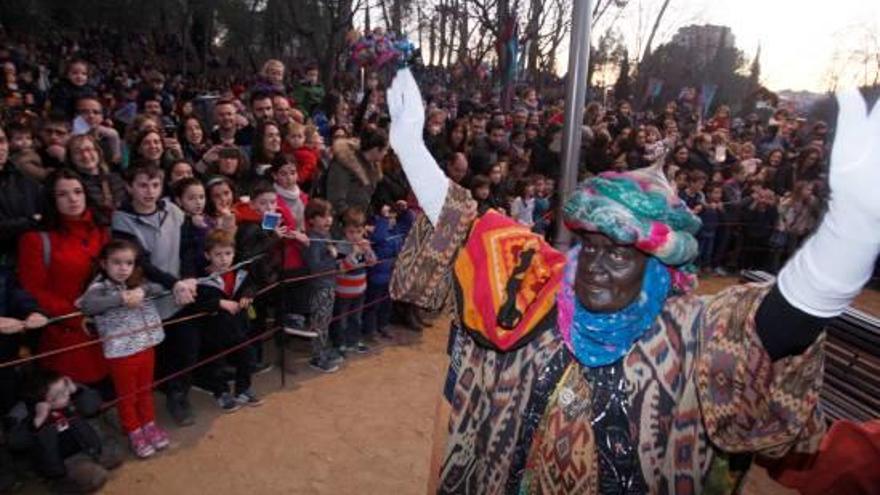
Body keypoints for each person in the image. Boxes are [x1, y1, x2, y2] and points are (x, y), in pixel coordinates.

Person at [387, 69, 878, 494]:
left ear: (656, 268)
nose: (597, 266)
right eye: (592, 247)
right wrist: (409, 144)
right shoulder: (539, 288)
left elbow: (770, 330)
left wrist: (846, 238)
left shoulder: (690, 335)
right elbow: (471, 227)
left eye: (621, 254)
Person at [76, 239, 170, 458]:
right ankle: (134, 431)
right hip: (121, 353)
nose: (123, 268)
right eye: (116, 262)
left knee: (146, 389)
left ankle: (149, 425)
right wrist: (121, 298)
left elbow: (160, 287)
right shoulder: (98, 288)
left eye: (128, 263)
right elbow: (87, 305)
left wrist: (142, 291)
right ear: (104, 263)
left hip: (146, 345)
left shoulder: (137, 280)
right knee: (128, 396)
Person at [17, 169, 110, 389]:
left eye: (78, 191)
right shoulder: (35, 239)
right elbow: (33, 290)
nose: (73, 199)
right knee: (75, 395)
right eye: (63, 194)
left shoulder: (101, 230)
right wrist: (75, 316)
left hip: (105, 325)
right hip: (65, 331)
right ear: (51, 199)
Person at [190, 229, 262, 411]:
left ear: (234, 253)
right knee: (216, 365)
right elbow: (197, 303)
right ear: (207, 255)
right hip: (214, 332)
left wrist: (248, 294)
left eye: (228, 253)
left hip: (239, 328)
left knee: (247, 357)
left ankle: (243, 389)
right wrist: (219, 303)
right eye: (218, 254)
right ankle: (220, 392)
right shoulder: (201, 279)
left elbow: (252, 285)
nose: (224, 259)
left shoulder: (240, 272)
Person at [303, 199, 342, 373]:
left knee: (325, 320)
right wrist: (331, 256)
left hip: (329, 283)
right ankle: (318, 357)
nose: (328, 220)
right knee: (319, 322)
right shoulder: (313, 239)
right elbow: (314, 266)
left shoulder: (325, 235)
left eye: (330, 216)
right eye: (323, 216)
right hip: (319, 286)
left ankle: (323, 350)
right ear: (311, 219)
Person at [330, 208, 376, 355]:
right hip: (343, 292)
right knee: (341, 320)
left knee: (356, 318)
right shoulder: (341, 247)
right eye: (351, 232)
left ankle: (354, 341)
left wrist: (368, 251)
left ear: (363, 230)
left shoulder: (363, 244)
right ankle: (340, 344)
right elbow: (341, 269)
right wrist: (354, 253)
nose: (355, 236)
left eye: (358, 231)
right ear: (344, 231)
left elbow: (372, 263)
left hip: (360, 290)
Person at [326, 129, 386, 220]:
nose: (386, 153)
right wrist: (354, 222)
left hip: (359, 223)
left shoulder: (372, 166)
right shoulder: (343, 164)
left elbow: (367, 198)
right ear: (376, 149)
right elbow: (336, 200)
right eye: (385, 150)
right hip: (343, 226)